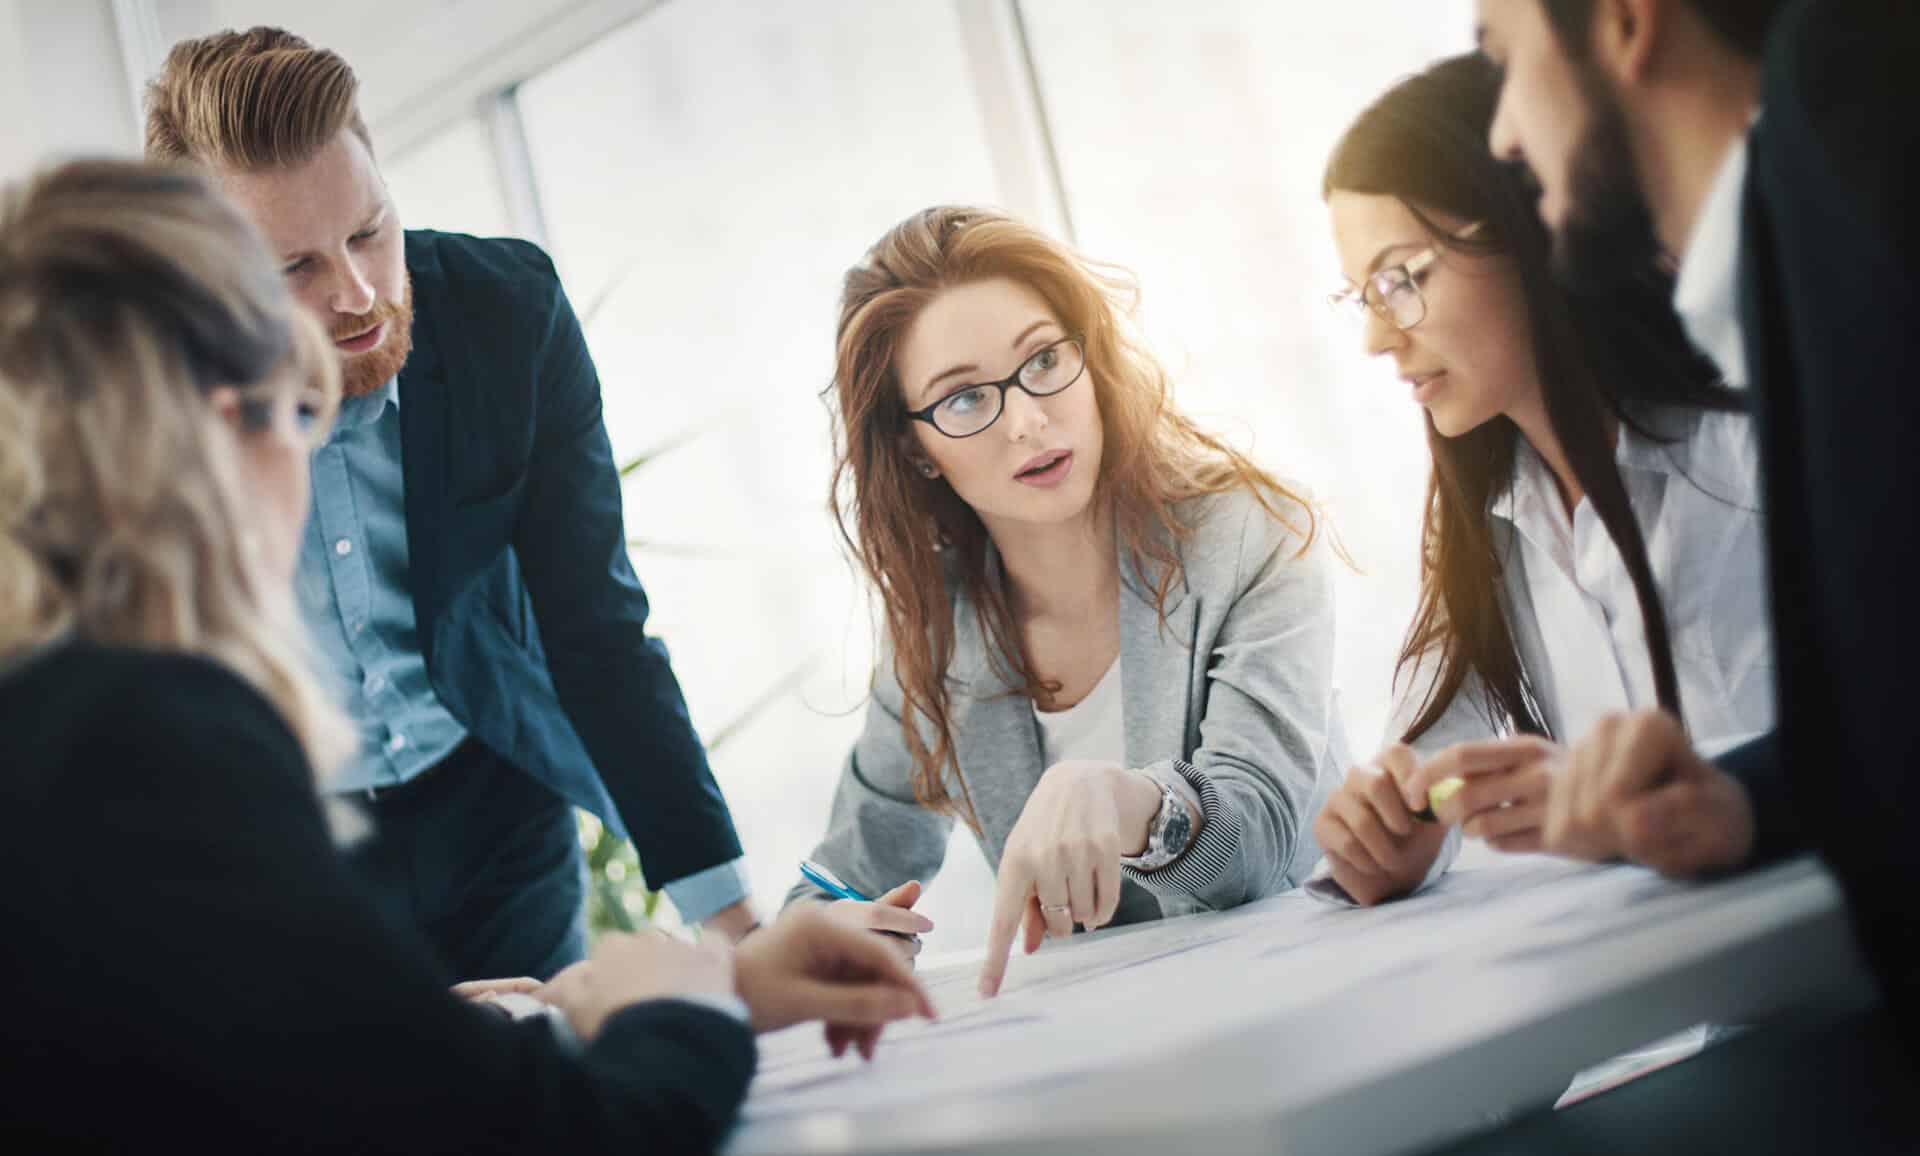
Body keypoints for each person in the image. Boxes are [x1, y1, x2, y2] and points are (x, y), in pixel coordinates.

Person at [0, 158, 931, 1154]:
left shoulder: (60, 722)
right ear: (236, 429)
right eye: (304, 411)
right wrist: (682, 1005)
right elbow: (560, 1135)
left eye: (368, 233)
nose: (353, 294)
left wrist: (716, 974)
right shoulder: (153, 742)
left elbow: (242, 1064)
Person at [142, 26, 757, 980]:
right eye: (292, 269)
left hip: (497, 807)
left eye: (367, 231)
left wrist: (739, 930)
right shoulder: (134, 409)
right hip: (289, 849)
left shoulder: (505, 318)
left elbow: (597, 629)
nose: (357, 294)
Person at [789, 206, 1342, 996]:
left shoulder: (1251, 535)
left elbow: (1259, 842)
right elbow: (835, 883)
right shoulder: (937, 636)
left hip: (1315, 996)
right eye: (966, 400)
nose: (1028, 420)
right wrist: (826, 934)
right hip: (1109, 1047)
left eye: (1044, 359)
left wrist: (1130, 803)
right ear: (916, 449)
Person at [1313, 53, 1768, 909]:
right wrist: (1393, 833)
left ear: (1529, 228)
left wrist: (1672, 802)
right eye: (1359, 294)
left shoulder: (1748, 453)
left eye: (1398, 280)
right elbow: (1427, 778)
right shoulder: (1488, 524)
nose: (1377, 338)